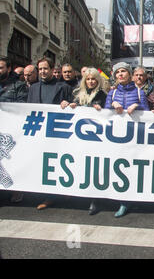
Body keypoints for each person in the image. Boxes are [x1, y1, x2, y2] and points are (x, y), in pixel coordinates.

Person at [105, 62, 150, 218]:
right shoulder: (112, 93)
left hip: (134, 137)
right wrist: (111, 104)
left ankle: (128, 200)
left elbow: (147, 113)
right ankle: (121, 199)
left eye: (123, 71)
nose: (120, 75)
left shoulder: (139, 92)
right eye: (118, 72)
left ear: (129, 74)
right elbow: (104, 115)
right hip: (116, 137)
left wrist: (137, 106)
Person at [27, 57, 73, 210]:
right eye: (39, 69)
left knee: (53, 163)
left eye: (45, 69)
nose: (42, 72)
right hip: (38, 133)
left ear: (52, 70)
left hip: (56, 133)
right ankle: (43, 192)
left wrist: (68, 104)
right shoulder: (33, 88)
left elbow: (74, 107)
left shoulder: (63, 87)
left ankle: (52, 196)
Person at [62, 68, 108, 215]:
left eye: (93, 79)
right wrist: (68, 105)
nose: (90, 81)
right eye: (88, 79)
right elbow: (71, 107)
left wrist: (100, 109)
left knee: (95, 168)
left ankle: (95, 200)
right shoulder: (79, 94)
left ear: (98, 80)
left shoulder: (103, 94)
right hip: (81, 139)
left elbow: (107, 112)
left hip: (97, 139)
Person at [0, 58, 28, 204]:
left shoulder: (19, 86)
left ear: (8, 69)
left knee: (11, 160)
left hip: (11, 131)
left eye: (1, 68)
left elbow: (22, 105)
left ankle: (16, 190)